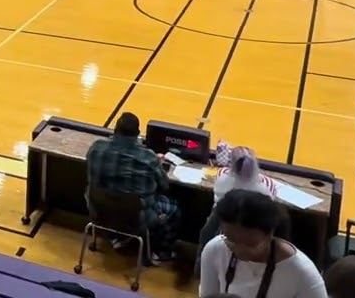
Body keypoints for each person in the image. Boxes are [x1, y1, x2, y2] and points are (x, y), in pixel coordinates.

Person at [85, 112, 179, 264]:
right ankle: (161, 252)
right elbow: (164, 185)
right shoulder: (147, 157)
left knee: (112, 197)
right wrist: (157, 164)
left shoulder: (96, 148)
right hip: (135, 219)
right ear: (137, 135)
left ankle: (116, 236)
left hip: (99, 212)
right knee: (173, 208)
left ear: (115, 130)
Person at [198, 189, 326, 298]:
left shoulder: (302, 273)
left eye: (250, 244)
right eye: (230, 240)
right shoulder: (214, 250)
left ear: (270, 233)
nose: (239, 251)